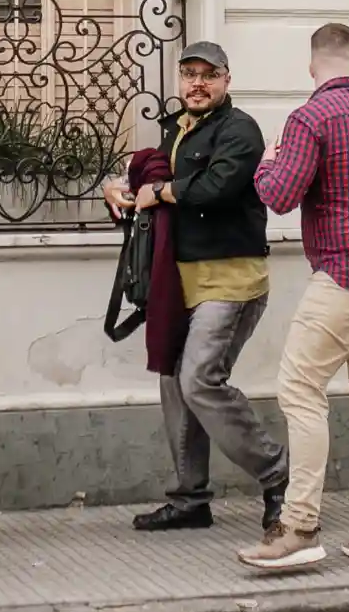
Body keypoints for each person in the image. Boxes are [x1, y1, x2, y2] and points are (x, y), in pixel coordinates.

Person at [241, 23, 349, 572]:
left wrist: (267, 160)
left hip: (343, 278)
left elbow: (279, 195)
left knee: (299, 390)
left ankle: (299, 527)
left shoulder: (310, 118)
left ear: (311, 66)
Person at [102, 41, 292, 535]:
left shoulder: (240, 130)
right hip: (179, 279)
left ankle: (278, 477)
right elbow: (151, 179)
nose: (197, 84)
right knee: (173, 378)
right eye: (189, 74)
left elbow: (216, 187)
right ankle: (191, 499)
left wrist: (160, 191)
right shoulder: (176, 130)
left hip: (230, 279)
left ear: (227, 79)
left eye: (208, 75)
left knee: (200, 380)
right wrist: (120, 187)